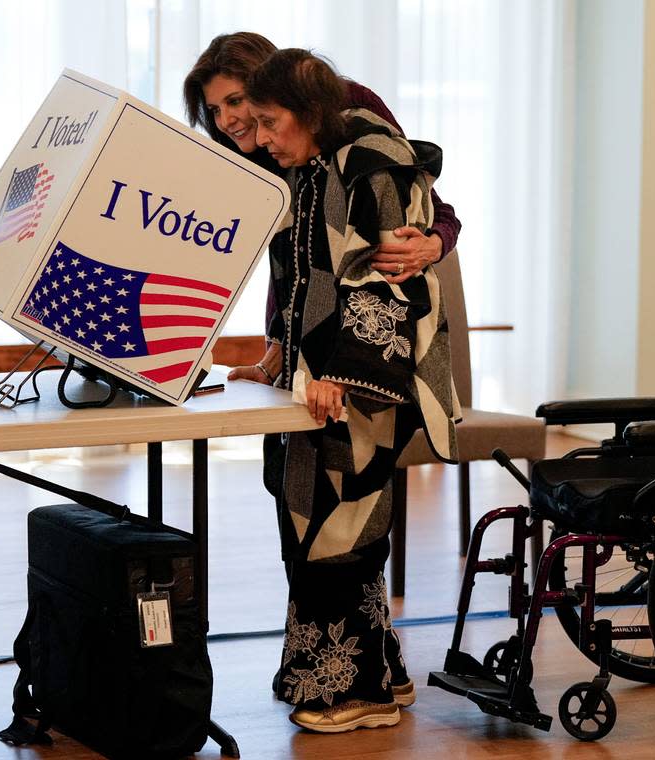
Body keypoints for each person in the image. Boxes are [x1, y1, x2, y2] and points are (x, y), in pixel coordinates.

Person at [240, 48, 459, 733]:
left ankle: (347, 691)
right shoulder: (316, 165)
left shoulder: (372, 162)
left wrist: (338, 371)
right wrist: (282, 356)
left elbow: (381, 282)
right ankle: (374, 675)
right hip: (318, 377)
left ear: (309, 113)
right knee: (314, 514)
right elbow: (299, 275)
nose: (262, 136)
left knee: (339, 525)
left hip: (362, 381)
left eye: (269, 121)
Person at [182, 31, 461, 363]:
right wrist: (277, 357)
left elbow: (429, 202)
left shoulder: (352, 109)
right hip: (298, 333)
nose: (225, 121)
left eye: (235, 101)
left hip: (370, 335)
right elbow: (291, 256)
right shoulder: (245, 150)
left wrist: (433, 244)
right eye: (214, 110)